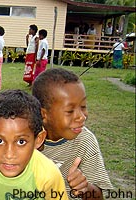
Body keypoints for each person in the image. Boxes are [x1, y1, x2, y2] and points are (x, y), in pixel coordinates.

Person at [32, 68, 113, 199]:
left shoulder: (85, 140)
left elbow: (99, 196)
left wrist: (85, 188)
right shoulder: (24, 137)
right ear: (44, 114)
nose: (82, 117)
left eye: (83, 106)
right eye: (70, 111)